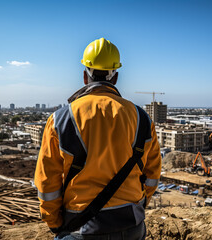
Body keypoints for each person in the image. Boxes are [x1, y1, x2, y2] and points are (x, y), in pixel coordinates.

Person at [34, 37, 161, 240]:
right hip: (131, 226)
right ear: (116, 77)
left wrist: (55, 223)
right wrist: (136, 204)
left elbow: (47, 181)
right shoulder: (142, 118)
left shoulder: (61, 119)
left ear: (85, 76)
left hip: (80, 229)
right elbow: (152, 175)